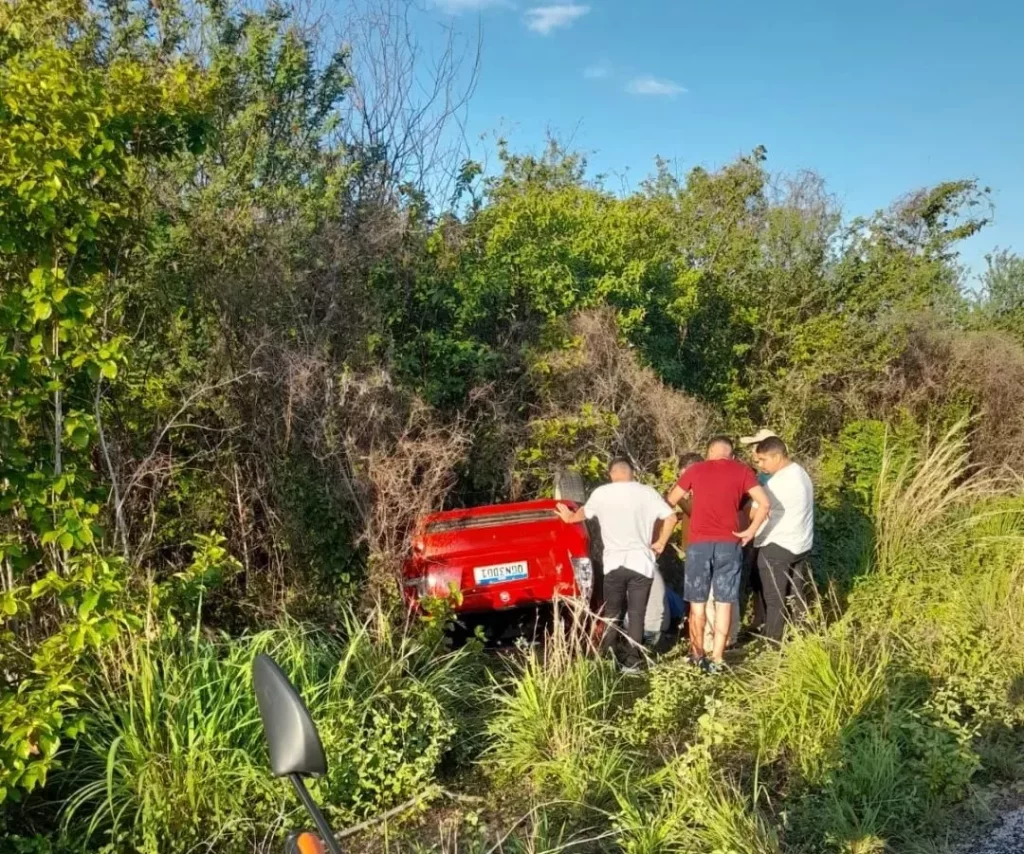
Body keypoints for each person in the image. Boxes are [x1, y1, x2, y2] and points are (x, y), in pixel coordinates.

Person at [556, 457, 677, 673]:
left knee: (612, 612)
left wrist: (569, 517)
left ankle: (608, 658)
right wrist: (660, 543)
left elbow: (583, 514)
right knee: (637, 613)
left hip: (614, 562)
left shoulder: (602, 493)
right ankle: (633, 662)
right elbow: (671, 517)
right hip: (641, 562)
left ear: (611, 474)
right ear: (632, 473)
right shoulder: (647, 492)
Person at [666, 437, 771, 673]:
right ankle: (717, 658)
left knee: (697, 604)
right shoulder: (743, 471)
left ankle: (696, 653)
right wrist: (749, 532)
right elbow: (764, 504)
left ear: (708, 453)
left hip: (699, 545)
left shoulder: (696, 470)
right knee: (724, 602)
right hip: (729, 543)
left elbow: (670, 501)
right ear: (731, 455)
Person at [752, 436, 814, 642]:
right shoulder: (801, 473)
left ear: (777, 456)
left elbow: (755, 513)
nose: (760, 465)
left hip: (777, 545)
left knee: (774, 597)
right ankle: (803, 634)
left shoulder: (777, 483)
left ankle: (772, 640)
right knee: (796, 594)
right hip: (801, 542)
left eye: (762, 460)